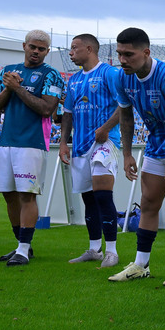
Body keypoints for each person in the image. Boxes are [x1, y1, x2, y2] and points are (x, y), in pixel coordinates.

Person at [109, 27, 165, 287]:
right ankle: (141, 264)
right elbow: (125, 116)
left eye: (129, 54)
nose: (123, 60)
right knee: (148, 203)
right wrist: (127, 154)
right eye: (119, 54)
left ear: (146, 52)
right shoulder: (121, 78)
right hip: (155, 144)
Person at [0, 29, 65, 266]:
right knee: (9, 196)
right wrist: (9, 88)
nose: (36, 52)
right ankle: (23, 246)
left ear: (47, 52)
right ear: (24, 46)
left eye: (41, 49)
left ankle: (22, 248)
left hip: (32, 143)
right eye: (33, 47)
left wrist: (18, 89)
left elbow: (45, 108)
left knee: (26, 195)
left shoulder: (51, 75)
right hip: (7, 142)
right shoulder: (9, 72)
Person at [59, 33, 122, 269]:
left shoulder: (109, 73)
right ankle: (94, 248)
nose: (70, 52)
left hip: (105, 142)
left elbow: (124, 105)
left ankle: (112, 252)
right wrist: (64, 142)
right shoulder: (73, 80)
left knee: (103, 195)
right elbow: (68, 113)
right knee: (88, 198)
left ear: (89, 49)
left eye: (74, 47)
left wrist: (105, 129)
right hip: (80, 145)